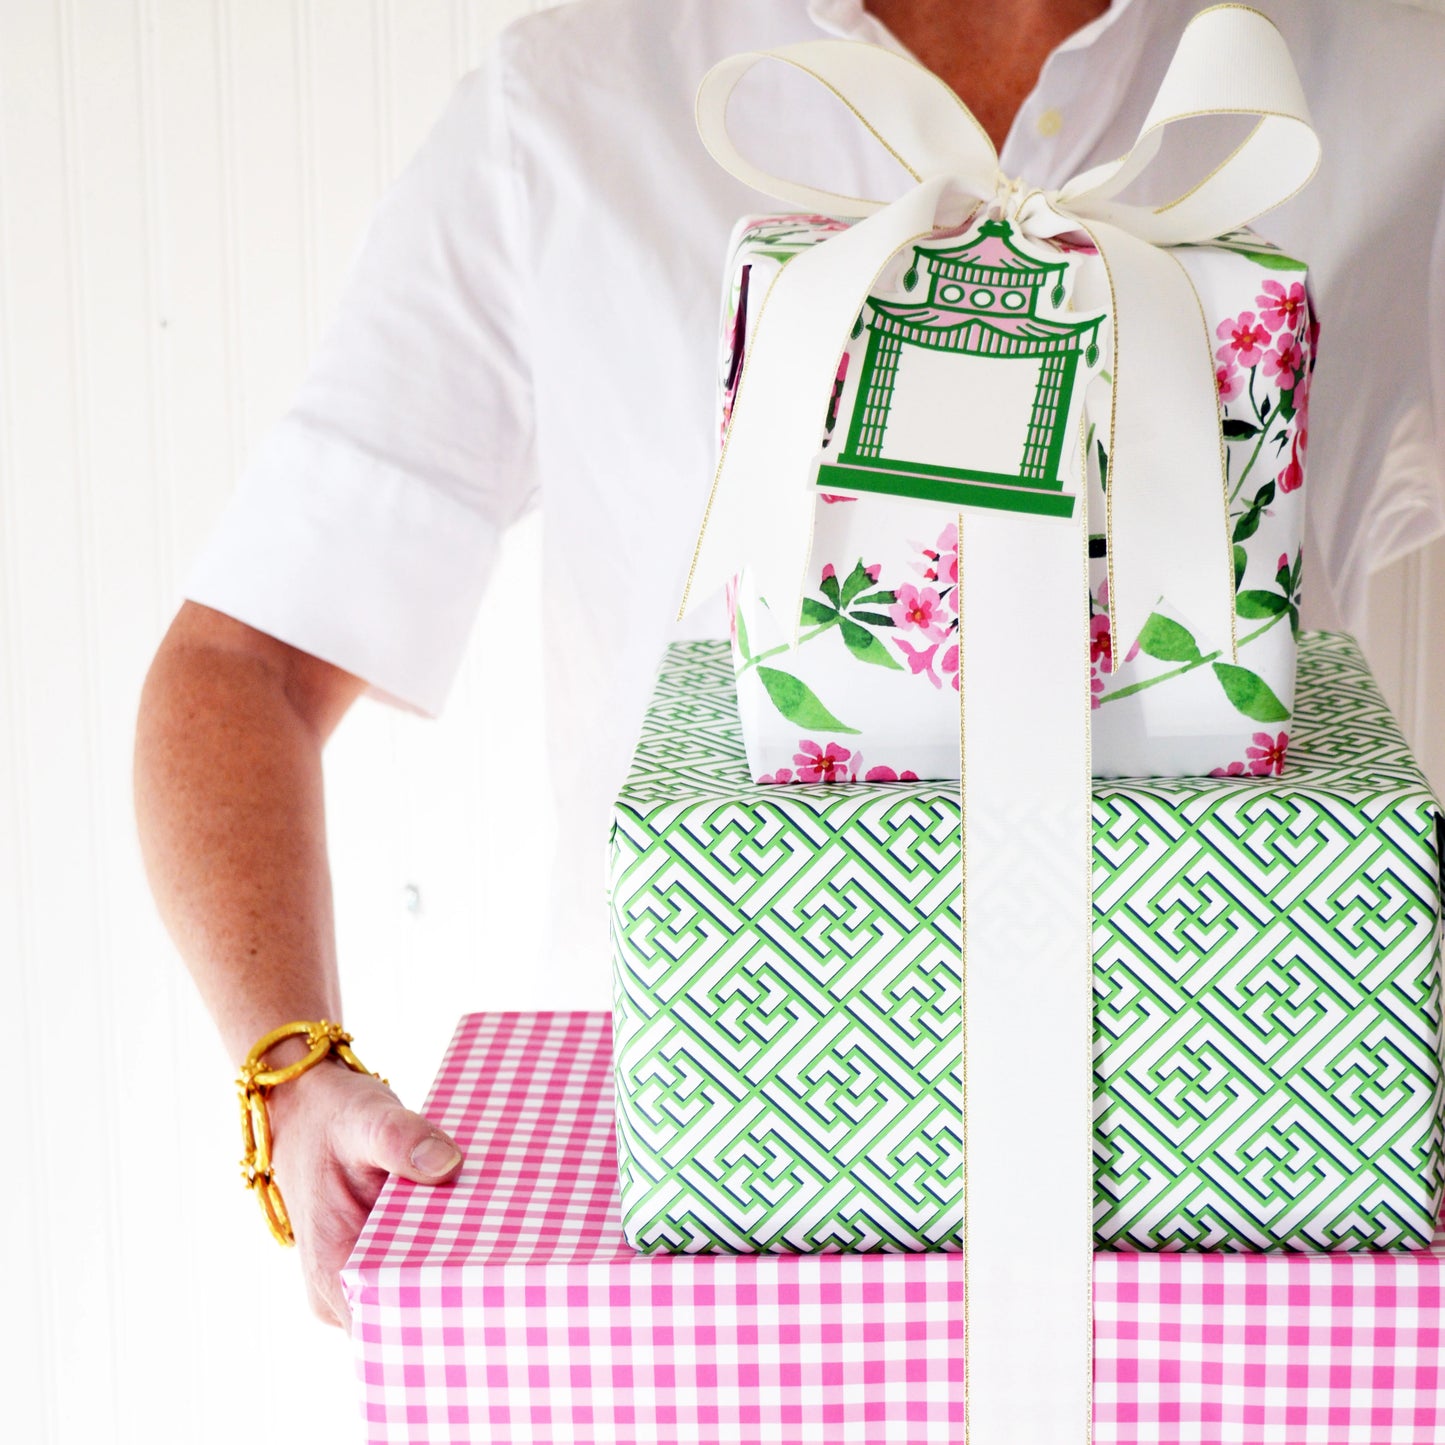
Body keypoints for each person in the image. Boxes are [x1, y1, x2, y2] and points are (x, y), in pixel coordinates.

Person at [132, 0, 1445, 1329]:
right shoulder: (572, 111)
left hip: (1252, 1190)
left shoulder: (1387, 88)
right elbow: (245, 659)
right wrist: (290, 1069)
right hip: (703, 1209)